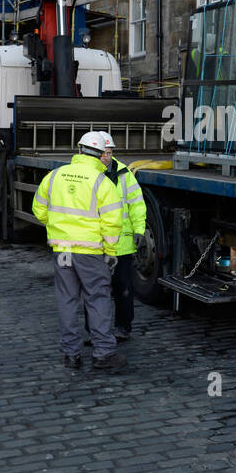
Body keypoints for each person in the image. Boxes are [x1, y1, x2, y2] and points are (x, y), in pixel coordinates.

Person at [31, 131, 123, 371]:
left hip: (62, 251)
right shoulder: (103, 182)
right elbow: (112, 223)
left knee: (67, 299)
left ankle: (71, 354)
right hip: (91, 253)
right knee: (98, 299)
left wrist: (60, 228)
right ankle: (103, 353)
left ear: (79, 150)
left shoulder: (54, 176)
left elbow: (39, 210)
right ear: (102, 154)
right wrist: (111, 251)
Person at [82, 133, 147, 340]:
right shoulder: (88, 174)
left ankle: (123, 327)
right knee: (95, 291)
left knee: (123, 288)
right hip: (95, 244)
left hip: (122, 245)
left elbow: (136, 204)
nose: (106, 157)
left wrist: (139, 231)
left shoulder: (124, 173)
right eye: (103, 153)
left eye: (109, 153)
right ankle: (95, 331)